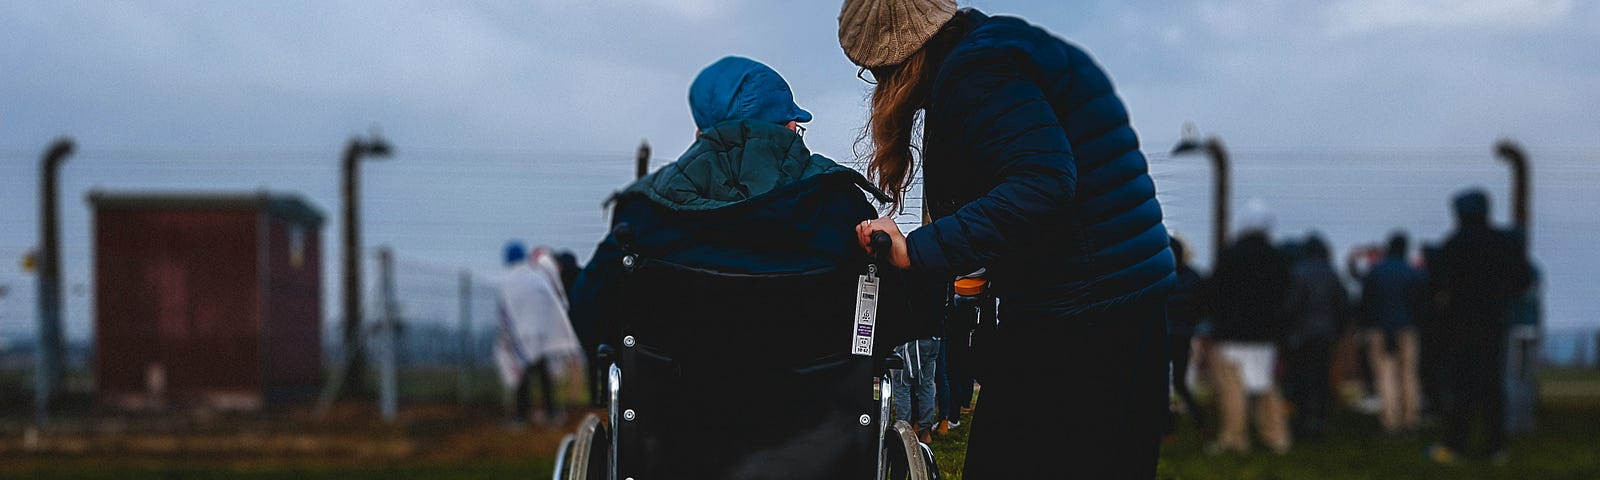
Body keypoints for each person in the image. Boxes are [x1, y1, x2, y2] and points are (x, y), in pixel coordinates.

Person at [838, 1, 1175, 476]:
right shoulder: (995, 49)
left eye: (876, 72)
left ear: (901, 59)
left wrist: (916, 250)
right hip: (1120, 295)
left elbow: (1043, 182)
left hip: (1081, 312)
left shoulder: (977, 72)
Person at [1427, 190, 1532, 465]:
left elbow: (1436, 283)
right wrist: (1502, 298)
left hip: (1461, 322)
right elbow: (1524, 278)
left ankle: (1455, 445)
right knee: (1492, 384)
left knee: (1463, 385)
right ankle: (1496, 446)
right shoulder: (1503, 243)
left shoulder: (1454, 243)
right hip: (1494, 321)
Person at [1202, 201, 1292, 455]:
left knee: (1233, 389)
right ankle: (1276, 436)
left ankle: (1234, 438)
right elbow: (1285, 295)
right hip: (1265, 334)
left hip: (1232, 334)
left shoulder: (1229, 255)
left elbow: (1215, 293)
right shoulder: (1277, 258)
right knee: (1266, 386)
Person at [495, 242, 584, 426]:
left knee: (523, 377)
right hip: (542, 334)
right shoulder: (536, 277)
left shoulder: (505, 282)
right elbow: (554, 303)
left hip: (520, 336)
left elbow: (504, 312)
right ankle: (552, 414)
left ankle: (520, 416)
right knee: (544, 375)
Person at [1281, 232, 1350, 440]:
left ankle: (1303, 421)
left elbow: (1290, 306)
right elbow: (1343, 305)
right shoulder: (1332, 273)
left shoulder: (1297, 271)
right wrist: (1337, 329)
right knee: (1320, 378)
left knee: (1301, 379)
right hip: (1326, 335)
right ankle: (1319, 420)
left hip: (1301, 335)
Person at [1360, 231, 1426, 434]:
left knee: (1385, 375)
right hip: (1407, 328)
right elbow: (1420, 303)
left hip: (1380, 328)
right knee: (1409, 374)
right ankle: (1411, 417)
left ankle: (1391, 419)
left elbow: (1366, 301)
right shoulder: (1413, 272)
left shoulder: (1376, 271)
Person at [1166, 236, 1206, 436]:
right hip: (1183, 335)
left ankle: (1168, 428)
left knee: (1161, 382)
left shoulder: (1159, 275)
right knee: (1180, 382)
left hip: (1162, 335)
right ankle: (1199, 421)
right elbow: (1201, 305)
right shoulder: (1193, 276)